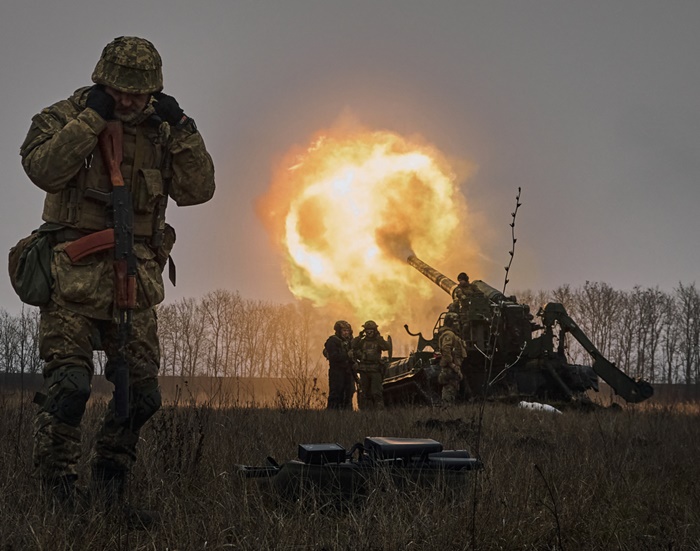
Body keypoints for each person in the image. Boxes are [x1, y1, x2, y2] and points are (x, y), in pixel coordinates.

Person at [18, 36, 215, 512]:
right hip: (73, 281)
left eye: (139, 93)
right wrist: (91, 119)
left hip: (136, 280)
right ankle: (59, 494)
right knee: (69, 390)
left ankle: (110, 483)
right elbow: (42, 168)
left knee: (142, 396)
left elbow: (199, 189)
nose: (129, 100)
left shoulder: (165, 131)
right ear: (101, 81)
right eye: (120, 91)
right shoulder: (64, 117)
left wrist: (184, 127)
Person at [351, 320, 390, 410]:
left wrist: (379, 338)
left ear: (375, 330)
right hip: (364, 370)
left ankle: (379, 412)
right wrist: (359, 338)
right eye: (367, 330)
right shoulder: (362, 341)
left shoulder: (378, 341)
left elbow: (387, 347)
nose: (369, 332)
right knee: (364, 393)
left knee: (376, 393)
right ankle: (366, 412)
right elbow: (352, 347)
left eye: (371, 330)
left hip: (375, 371)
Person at [452, 272, 491, 352]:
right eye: (459, 280)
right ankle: (465, 343)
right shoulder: (459, 288)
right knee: (466, 326)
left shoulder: (472, 287)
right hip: (465, 312)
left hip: (476, 311)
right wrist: (464, 297)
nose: (460, 282)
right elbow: (459, 294)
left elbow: (480, 293)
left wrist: (477, 296)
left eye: (461, 280)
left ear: (465, 280)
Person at [437, 312, 469, 404]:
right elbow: (446, 349)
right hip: (450, 368)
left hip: (453, 367)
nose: (458, 324)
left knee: (453, 388)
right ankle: (446, 410)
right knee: (449, 389)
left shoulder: (452, 335)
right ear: (450, 323)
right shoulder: (449, 334)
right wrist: (452, 365)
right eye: (455, 322)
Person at [323, 320, 355, 410]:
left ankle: (347, 414)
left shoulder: (350, 342)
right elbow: (333, 357)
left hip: (348, 371)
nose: (346, 333)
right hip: (337, 372)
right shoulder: (332, 341)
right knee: (336, 394)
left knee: (349, 393)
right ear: (338, 331)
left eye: (347, 331)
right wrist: (346, 355)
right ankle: (333, 415)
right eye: (344, 331)